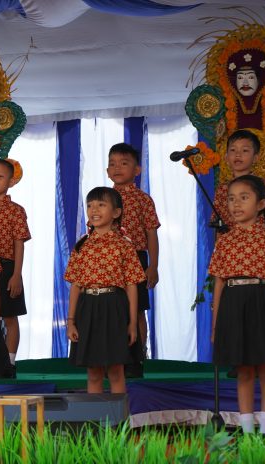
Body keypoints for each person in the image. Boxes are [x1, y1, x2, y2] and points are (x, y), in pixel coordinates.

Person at [210, 175, 265, 435]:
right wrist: (215, 326)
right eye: (231, 199)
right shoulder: (224, 240)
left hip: (262, 303)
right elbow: (219, 285)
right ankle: (247, 433)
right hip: (233, 305)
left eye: (244, 198)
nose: (236, 204)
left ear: (261, 204)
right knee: (244, 371)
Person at [66, 187, 145, 395]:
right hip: (88, 308)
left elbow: (131, 285)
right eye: (90, 205)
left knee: (116, 370)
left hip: (114, 307)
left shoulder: (124, 245)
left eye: (101, 205)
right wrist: (71, 321)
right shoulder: (81, 246)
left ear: (116, 212)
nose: (94, 209)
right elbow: (75, 285)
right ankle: (96, 417)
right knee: (94, 372)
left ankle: (119, 416)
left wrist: (132, 323)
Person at [106, 143, 159, 378]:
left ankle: (138, 356)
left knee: (136, 310)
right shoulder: (103, 198)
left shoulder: (143, 199)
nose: (117, 168)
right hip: (108, 260)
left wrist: (153, 266)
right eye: (112, 164)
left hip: (136, 258)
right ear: (107, 171)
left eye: (124, 163)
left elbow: (151, 234)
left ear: (137, 170)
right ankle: (111, 357)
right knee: (111, 309)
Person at [0, 158, 31, 378]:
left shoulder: (16, 210)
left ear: (11, 181)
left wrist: (16, 275)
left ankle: (9, 363)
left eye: (0, 176)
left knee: (9, 317)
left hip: (7, 268)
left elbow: (19, 243)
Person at [212, 129, 265, 230]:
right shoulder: (222, 189)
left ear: (255, 158)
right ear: (226, 157)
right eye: (233, 150)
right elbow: (217, 224)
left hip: (257, 238)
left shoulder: (264, 185)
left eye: (245, 150)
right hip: (230, 238)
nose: (238, 154)